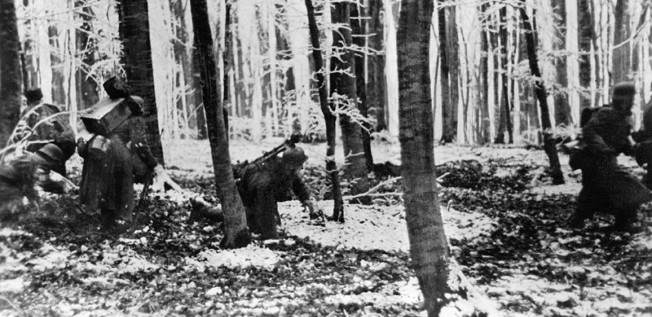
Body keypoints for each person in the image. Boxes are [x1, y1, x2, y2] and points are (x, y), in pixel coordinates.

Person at [78, 77, 170, 233]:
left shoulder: (109, 120)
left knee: (105, 188)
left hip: (99, 146)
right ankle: (119, 223)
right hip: (117, 154)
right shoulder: (135, 120)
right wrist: (154, 164)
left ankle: (104, 222)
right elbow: (140, 145)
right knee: (122, 189)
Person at [569, 81, 652, 232]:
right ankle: (621, 222)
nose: (633, 101)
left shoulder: (624, 118)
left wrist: (635, 149)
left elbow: (623, 142)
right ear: (623, 99)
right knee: (628, 189)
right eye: (631, 97)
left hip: (606, 164)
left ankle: (619, 221)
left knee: (596, 193)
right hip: (594, 162)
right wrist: (603, 148)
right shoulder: (607, 113)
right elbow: (588, 130)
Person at [191, 146, 319, 239]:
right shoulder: (265, 180)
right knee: (241, 217)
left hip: (261, 198)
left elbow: (295, 181)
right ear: (290, 165)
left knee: (271, 223)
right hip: (248, 199)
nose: (302, 168)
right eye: (300, 165)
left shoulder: (284, 168)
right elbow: (265, 208)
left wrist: (305, 199)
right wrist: (271, 235)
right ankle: (203, 209)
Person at [0, 143, 76, 218]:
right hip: (7, 184)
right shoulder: (40, 166)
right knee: (13, 209)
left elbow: (27, 183)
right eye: (54, 163)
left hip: (5, 179)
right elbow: (44, 183)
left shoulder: (29, 156)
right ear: (51, 159)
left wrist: (33, 199)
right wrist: (63, 188)